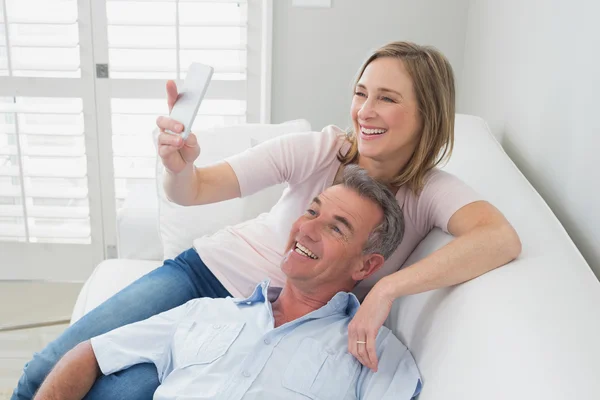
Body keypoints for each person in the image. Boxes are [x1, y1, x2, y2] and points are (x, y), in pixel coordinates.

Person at [13, 41, 521, 400]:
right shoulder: (323, 148)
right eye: (361, 92)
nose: (365, 110)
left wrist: (388, 292)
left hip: (265, 321)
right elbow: (195, 190)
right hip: (203, 276)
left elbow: (498, 237)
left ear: (427, 113)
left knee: (120, 391)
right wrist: (178, 165)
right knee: (46, 369)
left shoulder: (429, 192)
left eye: (386, 98)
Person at [34, 167, 421, 400]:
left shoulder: (373, 350)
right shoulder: (206, 312)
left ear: (365, 265)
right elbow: (90, 353)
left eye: (336, 228)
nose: (307, 229)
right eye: (311, 211)